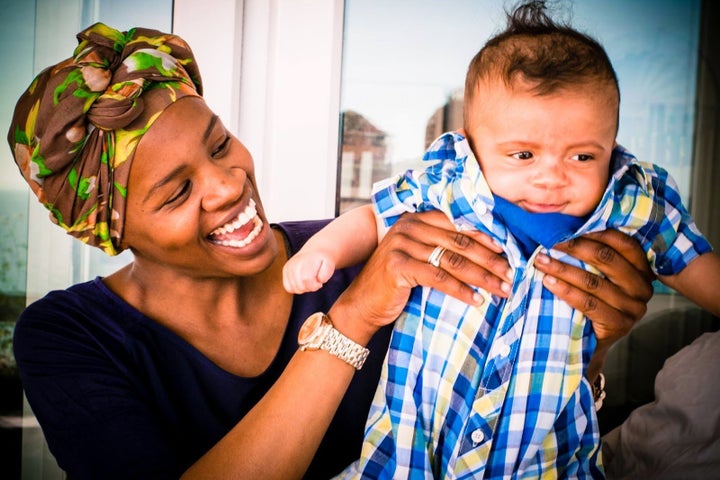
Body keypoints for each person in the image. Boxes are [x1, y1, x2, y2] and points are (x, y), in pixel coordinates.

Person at [8, 22, 654, 480]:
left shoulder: (371, 244)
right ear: (107, 229)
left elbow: (499, 400)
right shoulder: (67, 336)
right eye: (177, 193)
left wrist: (591, 335)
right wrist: (351, 320)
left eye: (220, 143)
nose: (230, 183)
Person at [283, 1, 720, 478]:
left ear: (611, 146)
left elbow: (691, 261)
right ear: (473, 144)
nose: (551, 177)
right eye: (524, 154)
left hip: (546, 462)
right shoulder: (450, 186)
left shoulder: (630, 202)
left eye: (581, 157)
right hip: (410, 454)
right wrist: (321, 249)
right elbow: (374, 219)